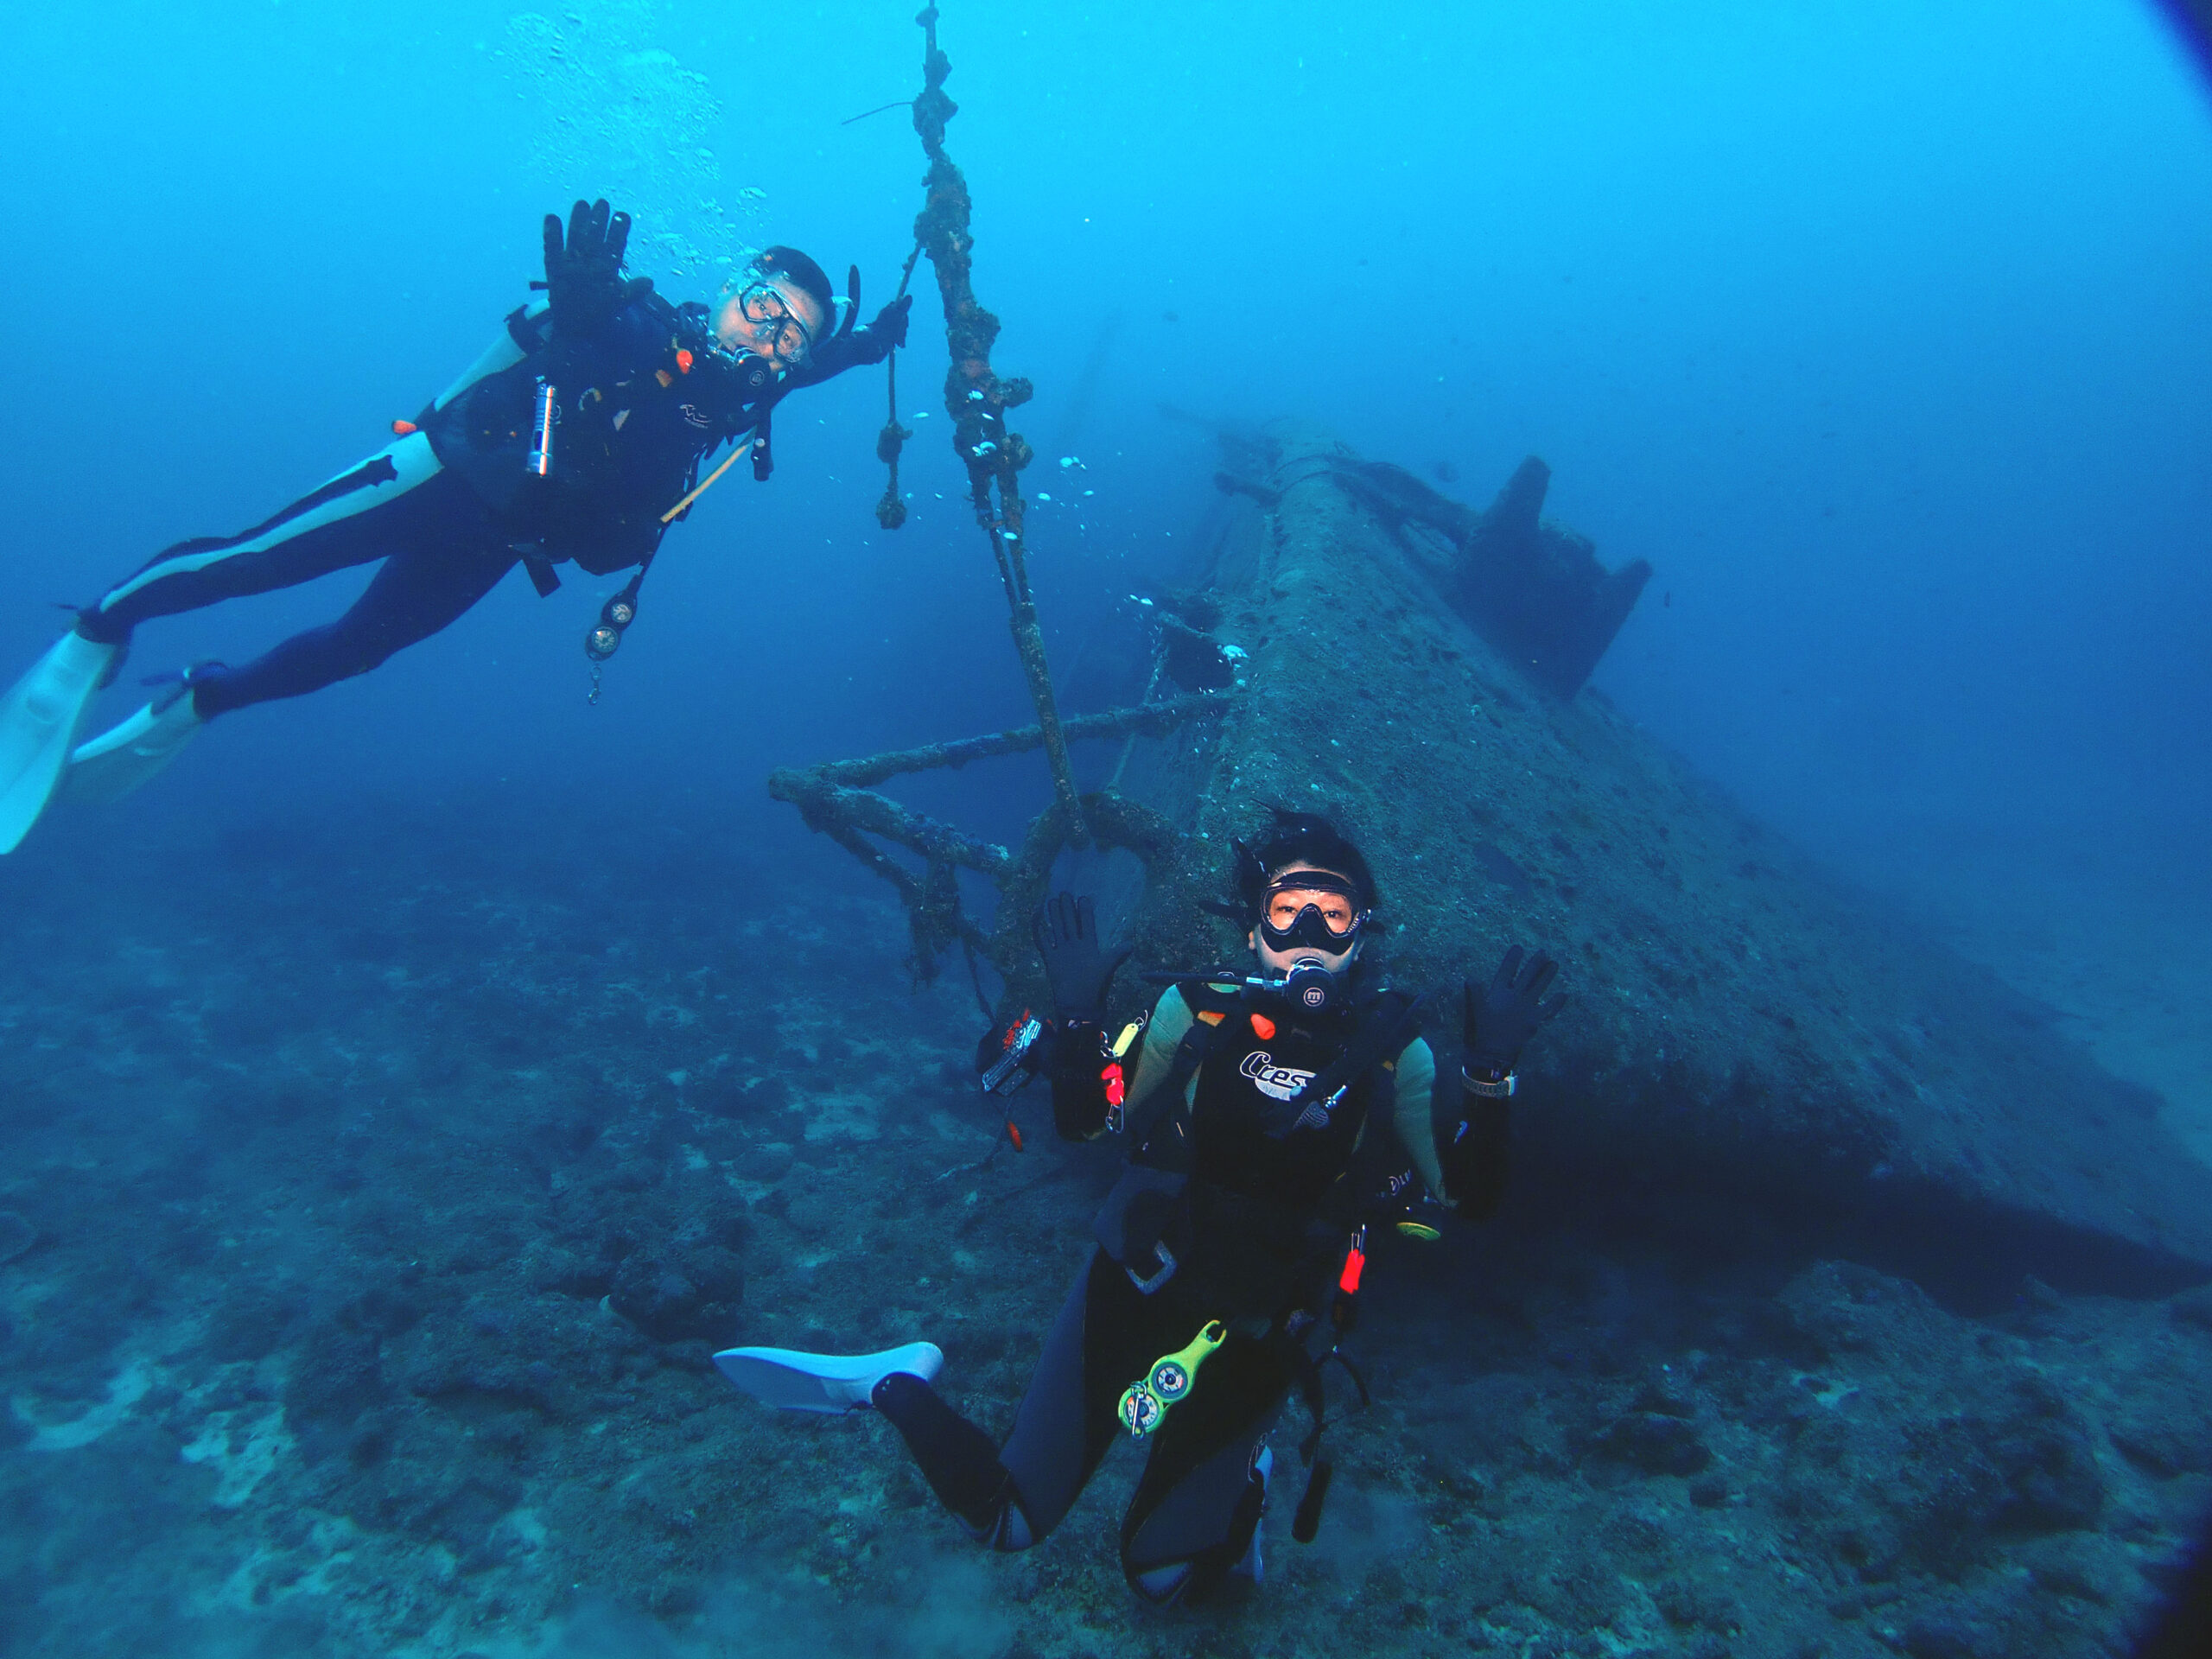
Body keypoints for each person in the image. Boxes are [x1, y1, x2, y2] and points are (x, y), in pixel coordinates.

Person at [715, 811, 1569, 1605]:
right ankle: (890, 1384)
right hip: (1137, 1284)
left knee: (1159, 1577)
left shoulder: (1397, 1058)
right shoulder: (1194, 1010)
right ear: (1251, 927)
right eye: (1287, 910)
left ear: (1361, 932)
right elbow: (1091, 1124)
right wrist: (1082, 1020)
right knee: (1008, 1521)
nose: (1308, 933)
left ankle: (1248, 1477)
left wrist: (1491, 1080)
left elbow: (1469, 1200)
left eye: (1332, 914)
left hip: (1267, 1334)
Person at [0, 199, 912, 852]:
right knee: (255, 562)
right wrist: (580, 313)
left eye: (792, 336)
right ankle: (95, 634)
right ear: (727, 292)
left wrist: (869, 343)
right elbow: (571, 334)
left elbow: (818, 367)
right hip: (439, 478)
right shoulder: (628, 318)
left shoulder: (749, 394)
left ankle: (203, 696)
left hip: (498, 543)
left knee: (355, 651)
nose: (769, 342)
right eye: (763, 311)